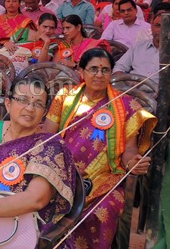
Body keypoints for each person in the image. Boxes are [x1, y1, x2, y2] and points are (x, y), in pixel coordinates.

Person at [44, 48, 156, 248]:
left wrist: (133, 161)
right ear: (82, 71)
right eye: (93, 69)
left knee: (100, 212)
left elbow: (129, 150)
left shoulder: (125, 105)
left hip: (104, 179)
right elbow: (48, 138)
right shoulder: (65, 97)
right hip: (63, 174)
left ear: (111, 73)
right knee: (42, 204)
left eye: (105, 70)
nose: (99, 74)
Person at [0, 77, 76, 234]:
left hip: (20, 223)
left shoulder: (50, 145)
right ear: (8, 104)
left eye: (37, 104)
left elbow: (36, 199)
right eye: (23, 100)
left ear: (44, 112)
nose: (30, 108)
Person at [113, 6, 167, 84]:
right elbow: (119, 67)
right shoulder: (138, 46)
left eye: (166, 26)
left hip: (159, 94)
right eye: (157, 26)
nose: (161, 30)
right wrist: (122, 83)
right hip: (130, 90)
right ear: (151, 27)